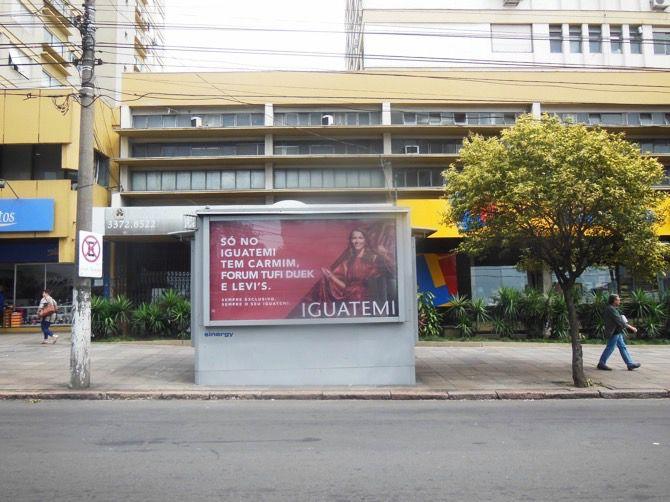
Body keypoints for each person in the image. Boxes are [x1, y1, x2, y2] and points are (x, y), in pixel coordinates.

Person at [320, 228, 394, 302]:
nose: (357, 241)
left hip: (371, 302)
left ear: (365, 240)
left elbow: (391, 273)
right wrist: (331, 276)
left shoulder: (374, 258)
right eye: (354, 238)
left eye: (360, 238)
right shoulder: (348, 263)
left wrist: (385, 255)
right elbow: (347, 287)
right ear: (351, 241)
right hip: (352, 302)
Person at [597, 294, 640, 371]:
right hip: (614, 332)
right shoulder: (611, 309)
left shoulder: (612, 308)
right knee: (610, 347)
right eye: (618, 300)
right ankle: (601, 363)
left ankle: (630, 364)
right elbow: (620, 321)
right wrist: (632, 328)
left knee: (622, 347)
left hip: (617, 331)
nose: (619, 301)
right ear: (614, 301)